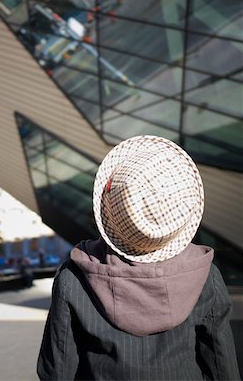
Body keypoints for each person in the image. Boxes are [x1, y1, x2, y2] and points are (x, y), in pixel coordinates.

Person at [37, 135, 240, 381]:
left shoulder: (75, 277)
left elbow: (56, 371)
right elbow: (222, 366)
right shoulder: (205, 275)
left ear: (107, 206)